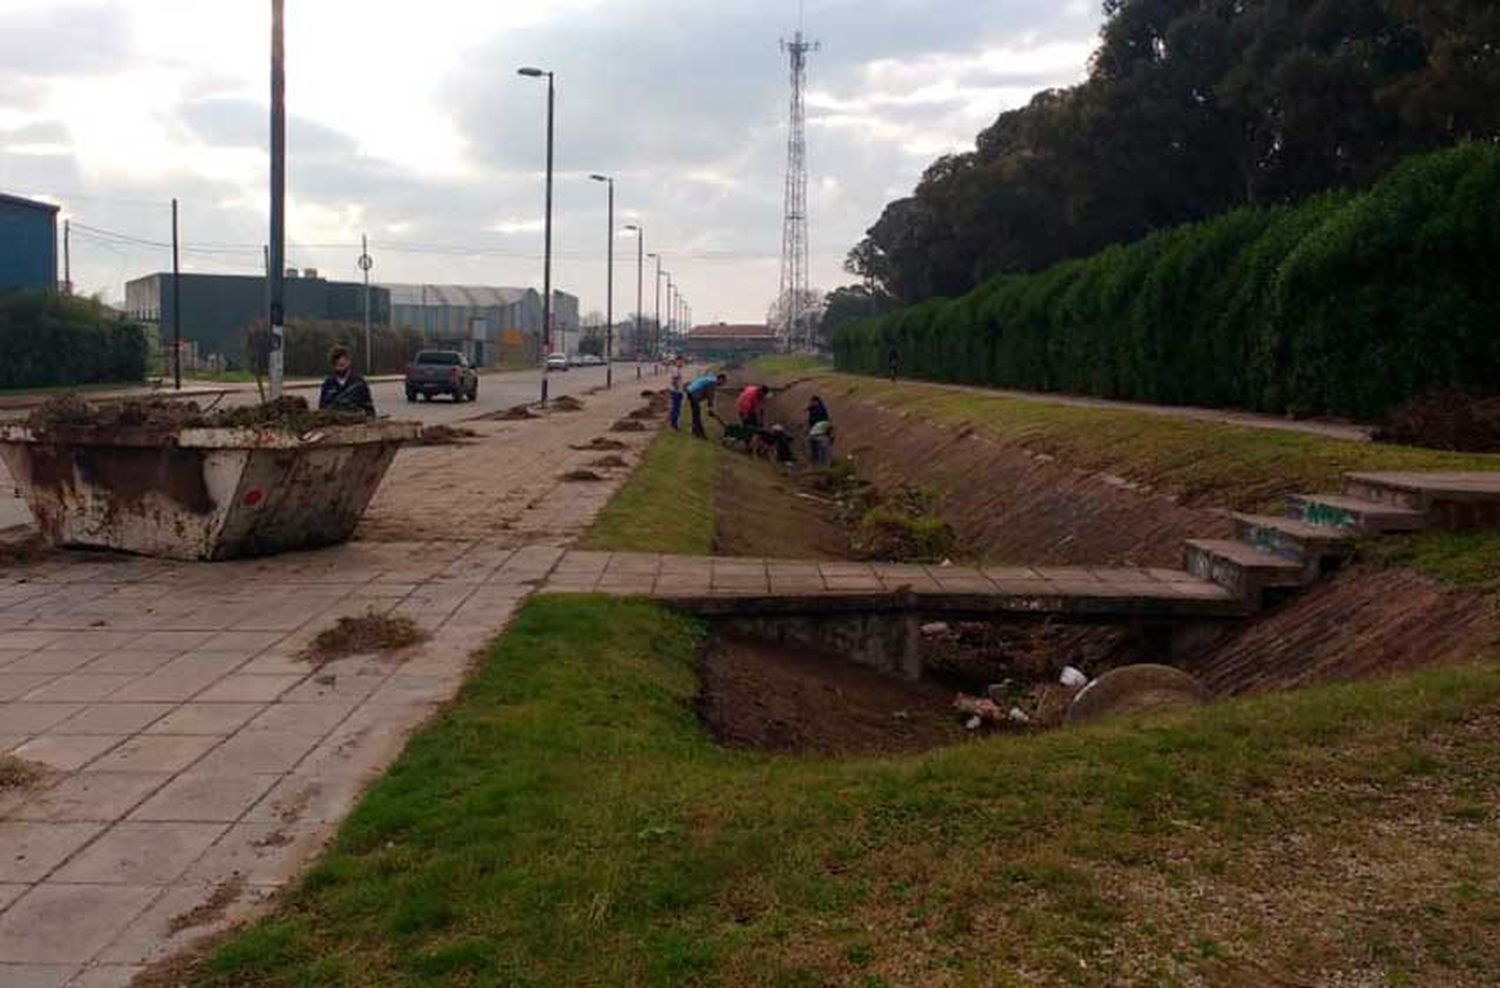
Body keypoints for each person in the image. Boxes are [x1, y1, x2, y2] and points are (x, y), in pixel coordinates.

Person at [319, 345, 375, 418]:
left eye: (342, 365)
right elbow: (322, 408)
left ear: (348, 362)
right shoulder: (328, 384)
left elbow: (369, 409)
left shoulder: (359, 383)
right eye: (337, 366)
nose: (339, 369)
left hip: (356, 423)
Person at [684, 371, 727, 439]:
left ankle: (695, 430)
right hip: (693, 393)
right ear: (721, 379)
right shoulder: (712, 382)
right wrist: (710, 406)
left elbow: (708, 393)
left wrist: (709, 406)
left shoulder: (711, 379)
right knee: (696, 413)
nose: (723, 384)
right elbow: (710, 394)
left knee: (696, 413)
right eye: (723, 382)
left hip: (690, 391)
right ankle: (698, 433)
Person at [807, 395, 834, 466]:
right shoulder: (813, 409)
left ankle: (822, 465)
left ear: (817, 402)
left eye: (813, 402)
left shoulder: (820, 410)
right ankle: (818, 465)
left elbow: (825, 421)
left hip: (821, 433)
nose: (811, 403)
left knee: (822, 452)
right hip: (815, 432)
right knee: (817, 451)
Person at [668, 358, 686, 431]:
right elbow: (675, 380)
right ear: (677, 362)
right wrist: (678, 390)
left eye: (682, 361)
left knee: (676, 409)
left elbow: (678, 380)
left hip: (678, 391)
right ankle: (673, 425)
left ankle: (674, 424)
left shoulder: (678, 370)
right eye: (680, 361)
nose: (682, 363)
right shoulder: (676, 370)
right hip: (676, 392)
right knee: (676, 409)